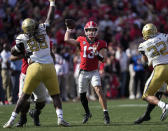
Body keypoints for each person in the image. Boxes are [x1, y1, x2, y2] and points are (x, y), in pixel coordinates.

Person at [3, 0, 70, 128]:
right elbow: (50, 18)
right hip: (47, 67)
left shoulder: (22, 37)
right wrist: (52, 3)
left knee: (26, 96)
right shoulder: (43, 30)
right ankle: (59, 118)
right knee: (55, 95)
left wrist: (19, 50)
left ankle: (12, 120)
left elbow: (13, 51)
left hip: (33, 68)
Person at [64, 19, 110, 124]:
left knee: (98, 90)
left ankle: (106, 114)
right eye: (89, 30)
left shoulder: (101, 43)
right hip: (83, 72)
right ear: (85, 31)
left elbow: (104, 59)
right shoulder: (81, 39)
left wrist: (96, 53)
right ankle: (87, 112)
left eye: (93, 30)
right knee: (82, 95)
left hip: (94, 71)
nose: (91, 32)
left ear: (96, 31)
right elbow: (66, 40)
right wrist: (68, 29)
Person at [9, 41, 53, 127]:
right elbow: (11, 57)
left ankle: (35, 113)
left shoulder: (45, 40)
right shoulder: (23, 41)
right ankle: (23, 118)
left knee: (42, 101)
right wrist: (25, 55)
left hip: (39, 73)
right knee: (24, 100)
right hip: (26, 73)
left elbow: (50, 54)